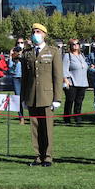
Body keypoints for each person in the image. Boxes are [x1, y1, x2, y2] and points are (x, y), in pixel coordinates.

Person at [20, 24, 64, 165]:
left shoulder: (53, 51)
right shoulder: (28, 53)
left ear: (44, 34)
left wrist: (57, 98)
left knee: (47, 128)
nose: (35, 34)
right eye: (33, 32)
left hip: (47, 96)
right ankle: (38, 156)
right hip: (32, 96)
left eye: (38, 32)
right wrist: (23, 98)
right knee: (35, 128)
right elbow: (25, 78)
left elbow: (58, 77)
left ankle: (48, 156)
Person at [61, 38, 89, 126]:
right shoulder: (67, 56)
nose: (75, 45)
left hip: (83, 82)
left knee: (79, 101)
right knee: (70, 100)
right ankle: (67, 118)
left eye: (77, 43)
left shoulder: (82, 56)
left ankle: (77, 118)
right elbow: (64, 69)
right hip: (72, 82)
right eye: (73, 44)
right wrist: (65, 80)